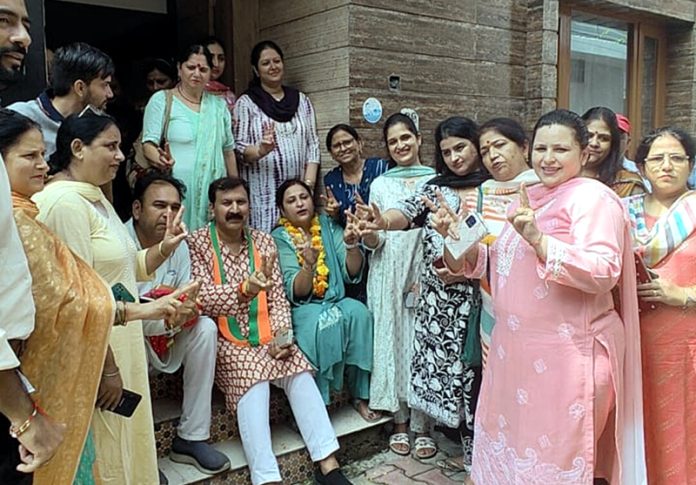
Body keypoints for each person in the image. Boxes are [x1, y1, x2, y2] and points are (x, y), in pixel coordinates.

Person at [434, 109, 646, 484]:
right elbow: (499, 264)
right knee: (512, 458)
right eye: (542, 149)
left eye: (561, 149)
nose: (548, 159)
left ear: (584, 153)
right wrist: (456, 235)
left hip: (567, 361)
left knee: (553, 465)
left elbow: (602, 270)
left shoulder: (593, 199)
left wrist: (540, 240)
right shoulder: (528, 196)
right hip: (515, 358)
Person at [3, 108, 197, 484]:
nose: (121, 156)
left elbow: (121, 269)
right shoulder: (62, 203)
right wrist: (107, 367)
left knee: (123, 448)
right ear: (78, 148)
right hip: (98, 351)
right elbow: (76, 299)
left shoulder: (94, 198)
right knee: (104, 456)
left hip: (116, 340)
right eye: (110, 146)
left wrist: (163, 250)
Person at [189, 177, 351, 485]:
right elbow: (201, 297)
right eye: (227, 203)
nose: (235, 209)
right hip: (227, 340)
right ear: (213, 209)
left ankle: (328, 465)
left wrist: (282, 337)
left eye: (241, 202)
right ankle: (266, 478)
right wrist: (243, 290)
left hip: (268, 335)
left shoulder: (263, 242)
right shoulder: (198, 243)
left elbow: (277, 297)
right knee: (256, 383)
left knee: (300, 372)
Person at [359, 115, 486, 467]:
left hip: (485, 296)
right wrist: (382, 221)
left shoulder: (489, 187)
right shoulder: (436, 187)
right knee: (447, 369)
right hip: (441, 299)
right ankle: (462, 444)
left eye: (461, 147)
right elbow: (407, 212)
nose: (455, 157)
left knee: (480, 373)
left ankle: (478, 449)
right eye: (446, 151)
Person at [126, 172, 230, 476]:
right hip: (132, 337)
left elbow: (186, 296)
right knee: (130, 333)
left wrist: (185, 311)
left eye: (174, 207)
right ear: (136, 209)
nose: (168, 215)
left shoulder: (179, 244)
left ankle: (191, 438)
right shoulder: (118, 242)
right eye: (159, 206)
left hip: (167, 333)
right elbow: (124, 311)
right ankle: (140, 455)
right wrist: (166, 311)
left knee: (206, 328)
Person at [353, 113, 435, 458]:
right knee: (393, 342)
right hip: (388, 272)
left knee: (422, 343)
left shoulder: (435, 180)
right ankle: (400, 423)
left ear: (418, 139)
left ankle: (424, 426)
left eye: (406, 138)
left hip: (426, 270)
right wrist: (369, 235)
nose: (400, 145)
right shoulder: (380, 185)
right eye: (393, 141)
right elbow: (375, 242)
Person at [624, 127, 696, 484]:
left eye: (677, 157)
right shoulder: (624, 214)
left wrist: (681, 295)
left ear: (690, 165)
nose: (667, 166)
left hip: (686, 349)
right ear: (642, 167)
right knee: (638, 430)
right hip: (632, 345)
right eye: (657, 158)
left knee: (684, 432)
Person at [272, 179, 375, 417]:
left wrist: (351, 246)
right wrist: (308, 265)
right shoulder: (279, 237)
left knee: (359, 313)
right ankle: (320, 403)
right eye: (291, 200)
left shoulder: (327, 225)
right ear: (282, 209)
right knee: (325, 323)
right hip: (304, 308)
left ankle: (360, 395)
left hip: (336, 299)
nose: (299, 203)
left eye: (304, 197)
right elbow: (296, 290)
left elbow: (352, 272)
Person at [142, 44, 237, 231]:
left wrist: (236, 191)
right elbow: (148, 144)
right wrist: (161, 160)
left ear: (210, 73)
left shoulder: (219, 107)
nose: (197, 73)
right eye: (191, 67)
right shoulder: (162, 100)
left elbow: (228, 152)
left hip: (213, 194)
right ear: (179, 68)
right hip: (176, 193)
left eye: (203, 69)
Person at [235, 40, 320, 232]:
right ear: (256, 70)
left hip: (296, 199)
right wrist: (260, 150)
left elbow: (312, 147)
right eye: (266, 63)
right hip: (262, 198)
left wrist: (307, 189)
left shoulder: (301, 101)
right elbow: (239, 150)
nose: (273, 67)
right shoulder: (246, 103)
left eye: (277, 61)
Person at [9, 42, 115, 157]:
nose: (110, 94)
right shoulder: (19, 117)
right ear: (80, 87)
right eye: (105, 85)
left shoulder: (94, 128)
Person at [323, 124, 390, 226]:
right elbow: (339, 221)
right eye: (337, 146)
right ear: (331, 153)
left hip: (382, 232)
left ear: (359, 143)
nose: (343, 148)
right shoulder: (332, 179)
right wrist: (334, 213)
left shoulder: (380, 167)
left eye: (347, 142)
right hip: (349, 237)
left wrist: (371, 214)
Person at [581, 106, 647, 197]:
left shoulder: (628, 185)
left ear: (613, 144)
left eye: (604, 138)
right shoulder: (562, 175)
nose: (594, 143)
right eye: (589, 136)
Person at [203, 36, 236, 114]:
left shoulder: (229, 96)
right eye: (210, 58)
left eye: (221, 59)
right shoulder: (189, 92)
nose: (216, 64)